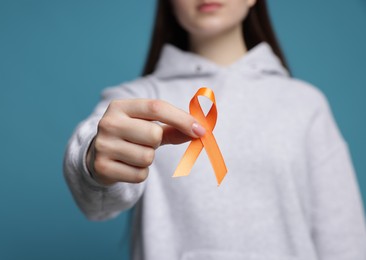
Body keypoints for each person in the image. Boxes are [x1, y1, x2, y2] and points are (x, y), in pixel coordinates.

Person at [63, 0, 366, 259]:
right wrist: (93, 161)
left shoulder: (306, 104)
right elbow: (97, 198)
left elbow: (344, 240)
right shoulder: (137, 100)